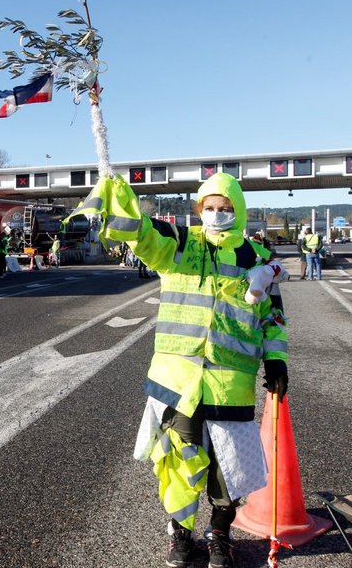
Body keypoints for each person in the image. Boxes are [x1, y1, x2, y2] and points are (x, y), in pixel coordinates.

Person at [70, 173, 289, 568]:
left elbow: (272, 319)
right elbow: (142, 234)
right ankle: (180, 534)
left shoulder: (258, 260)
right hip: (179, 380)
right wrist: (115, 192)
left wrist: (276, 360)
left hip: (232, 385)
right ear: (198, 209)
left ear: (238, 211)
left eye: (225, 208)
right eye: (209, 207)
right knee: (181, 463)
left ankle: (220, 534)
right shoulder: (183, 244)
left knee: (229, 470)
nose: (217, 214)